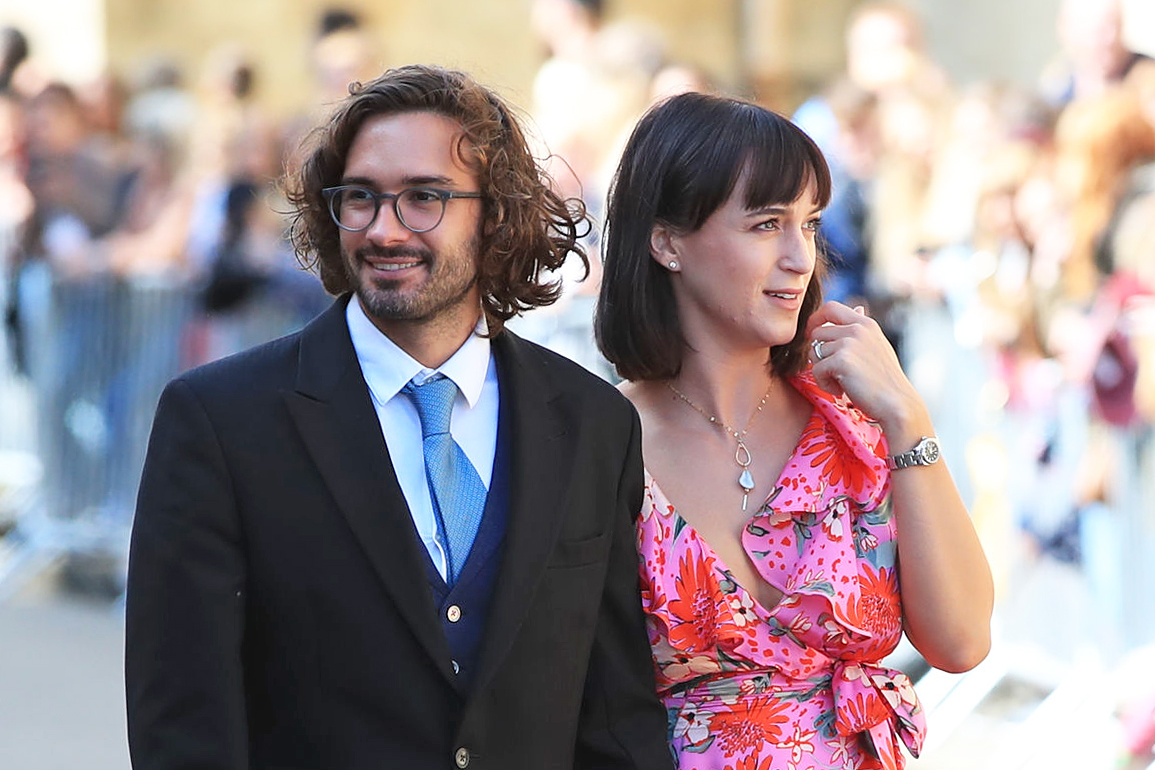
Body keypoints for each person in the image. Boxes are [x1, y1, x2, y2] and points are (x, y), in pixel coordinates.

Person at [124, 64, 672, 770]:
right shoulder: (220, 422)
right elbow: (184, 723)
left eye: (424, 198)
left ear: (496, 215)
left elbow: (614, 712)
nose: (384, 230)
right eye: (360, 198)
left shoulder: (591, 422)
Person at [595, 92, 993, 769]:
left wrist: (905, 417)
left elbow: (960, 642)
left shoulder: (853, 426)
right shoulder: (601, 443)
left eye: (808, 224)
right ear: (666, 242)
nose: (797, 256)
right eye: (764, 224)